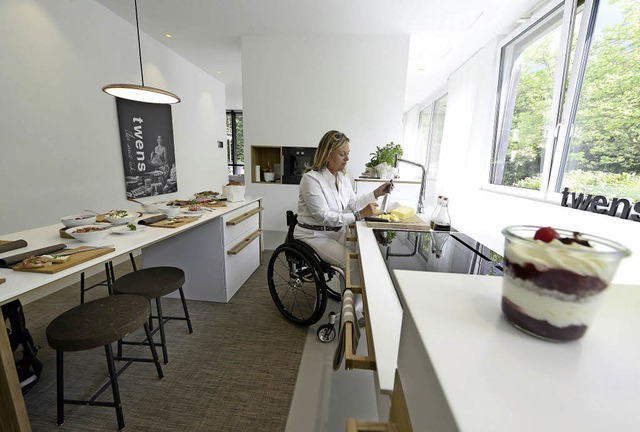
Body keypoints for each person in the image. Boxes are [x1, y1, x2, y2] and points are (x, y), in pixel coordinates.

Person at [294, 130, 392, 271]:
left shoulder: (342, 178)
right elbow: (324, 217)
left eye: (348, 153)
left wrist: (377, 193)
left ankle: (346, 290)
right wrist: (360, 215)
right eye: (342, 154)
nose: (347, 159)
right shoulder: (311, 180)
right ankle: (347, 292)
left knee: (362, 254)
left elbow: (353, 203)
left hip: (335, 232)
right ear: (327, 155)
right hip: (313, 236)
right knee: (353, 264)